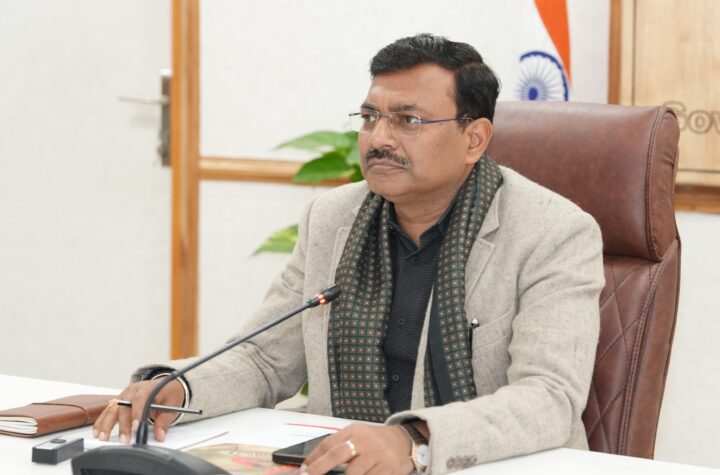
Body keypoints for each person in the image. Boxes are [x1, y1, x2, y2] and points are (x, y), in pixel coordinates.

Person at [94, 34, 604, 474]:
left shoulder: (553, 232)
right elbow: (265, 358)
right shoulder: (332, 218)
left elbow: (549, 398)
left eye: (407, 120)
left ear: (474, 138)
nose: (378, 139)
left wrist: (415, 440)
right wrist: (179, 390)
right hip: (342, 462)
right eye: (370, 117)